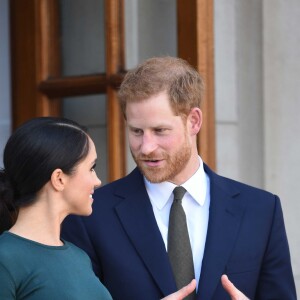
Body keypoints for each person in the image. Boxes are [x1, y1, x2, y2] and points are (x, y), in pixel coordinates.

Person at [62, 57, 297, 300]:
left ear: (193, 121)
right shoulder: (90, 214)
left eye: (160, 131)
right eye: (136, 131)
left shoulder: (261, 210)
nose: (146, 147)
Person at [0, 116, 204, 300]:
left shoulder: (78, 257)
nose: (97, 181)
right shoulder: (6, 259)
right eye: (91, 168)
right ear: (59, 179)